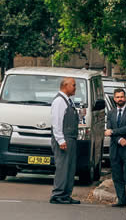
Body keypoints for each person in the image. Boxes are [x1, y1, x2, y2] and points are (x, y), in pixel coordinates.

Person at [48, 76, 81, 205]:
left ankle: (66, 194)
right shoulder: (59, 101)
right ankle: (58, 194)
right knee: (63, 167)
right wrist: (61, 140)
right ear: (65, 85)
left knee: (70, 167)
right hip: (64, 138)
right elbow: (56, 122)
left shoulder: (68, 101)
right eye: (73, 85)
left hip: (71, 137)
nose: (75, 88)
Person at [105, 87, 126, 208]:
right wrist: (119, 139)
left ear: (125, 98)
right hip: (115, 148)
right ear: (114, 99)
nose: (120, 99)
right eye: (118, 97)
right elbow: (108, 131)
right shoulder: (110, 113)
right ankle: (121, 200)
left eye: (122, 97)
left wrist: (113, 132)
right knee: (117, 175)